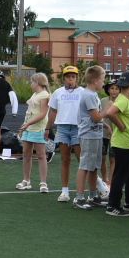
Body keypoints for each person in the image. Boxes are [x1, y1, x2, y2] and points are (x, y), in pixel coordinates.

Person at [46, 64, 86, 203]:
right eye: (68, 77)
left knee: (81, 160)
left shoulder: (83, 92)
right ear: (64, 78)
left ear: (77, 78)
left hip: (78, 129)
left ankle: (87, 189)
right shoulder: (58, 93)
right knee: (65, 159)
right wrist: (47, 128)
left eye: (73, 77)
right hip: (62, 128)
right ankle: (64, 191)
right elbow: (52, 111)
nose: (70, 80)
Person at [104, 72, 129, 216]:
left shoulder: (128, 99)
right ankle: (112, 206)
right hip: (123, 144)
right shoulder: (123, 100)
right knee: (121, 175)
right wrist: (121, 126)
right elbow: (110, 113)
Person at [72, 66, 108, 209]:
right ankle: (79, 198)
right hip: (89, 135)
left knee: (93, 167)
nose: (103, 83)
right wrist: (108, 111)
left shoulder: (92, 95)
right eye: (102, 80)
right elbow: (95, 117)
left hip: (95, 134)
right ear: (95, 80)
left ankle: (93, 196)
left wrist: (105, 125)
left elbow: (97, 118)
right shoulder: (89, 95)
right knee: (85, 165)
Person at [16, 72, 52, 192]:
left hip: (38, 129)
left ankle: (43, 183)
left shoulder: (45, 95)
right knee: (26, 155)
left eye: (32, 82)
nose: (30, 84)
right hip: (29, 128)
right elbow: (30, 112)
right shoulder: (35, 94)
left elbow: (42, 114)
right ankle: (26, 181)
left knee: (41, 156)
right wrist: (24, 125)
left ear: (38, 83)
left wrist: (28, 124)